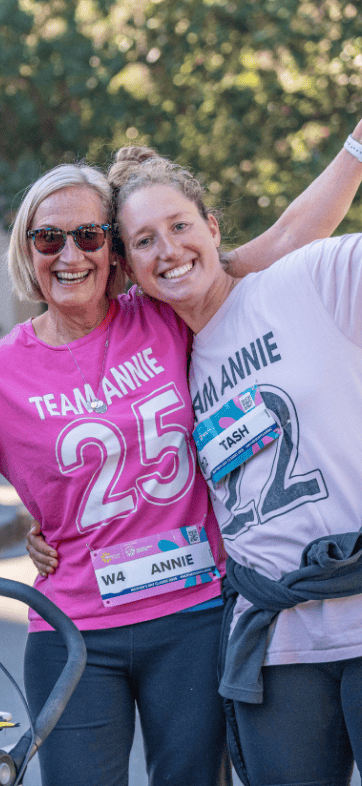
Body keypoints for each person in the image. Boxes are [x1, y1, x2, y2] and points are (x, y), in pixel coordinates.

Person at [0, 130, 362, 784]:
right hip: (75, 631)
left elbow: (285, 238)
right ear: (27, 251)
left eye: (89, 236)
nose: (70, 254)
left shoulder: (163, 311)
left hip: (192, 617)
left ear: (113, 253)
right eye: (49, 239)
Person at [113, 145, 362, 786]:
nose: (168, 250)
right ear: (128, 267)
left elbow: (294, 230)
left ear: (213, 228)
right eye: (144, 241)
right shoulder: (166, 367)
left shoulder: (308, 279)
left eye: (179, 226)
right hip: (275, 644)